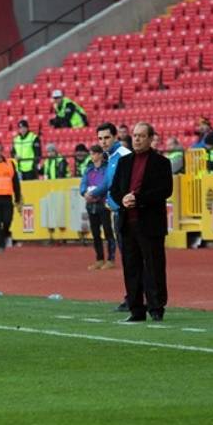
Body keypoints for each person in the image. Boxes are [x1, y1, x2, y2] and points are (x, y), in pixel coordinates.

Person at [110, 123, 173, 322]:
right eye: (135, 135)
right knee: (131, 267)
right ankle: (136, 309)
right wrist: (123, 199)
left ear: (150, 138)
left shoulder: (161, 162)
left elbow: (165, 190)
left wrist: (139, 199)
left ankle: (156, 307)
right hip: (127, 223)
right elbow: (114, 189)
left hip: (150, 223)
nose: (136, 139)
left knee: (154, 266)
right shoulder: (124, 162)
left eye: (141, 136)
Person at [85, 122, 132, 311]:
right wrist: (93, 192)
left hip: (128, 214)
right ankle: (132, 297)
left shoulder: (124, 155)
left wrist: (116, 202)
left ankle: (138, 298)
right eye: (100, 138)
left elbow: (131, 184)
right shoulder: (112, 157)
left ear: (115, 137)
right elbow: (107, 182)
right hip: (119, 213)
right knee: (128, 258)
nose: (103, 142)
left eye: (106, 138)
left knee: (133, 257)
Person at [80, 145, 115, 270]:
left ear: (100, 154)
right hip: (91, 205)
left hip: (103, 204)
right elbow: (83, 183)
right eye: (91, 153)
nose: (92, 156)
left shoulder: (106, 169)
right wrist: (84, 193)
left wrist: (93, 194)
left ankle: (111, 259)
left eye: (94, 153)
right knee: (95, 234)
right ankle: (99, 259)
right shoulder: (89, 169)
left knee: (108, 232)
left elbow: (106, 184)